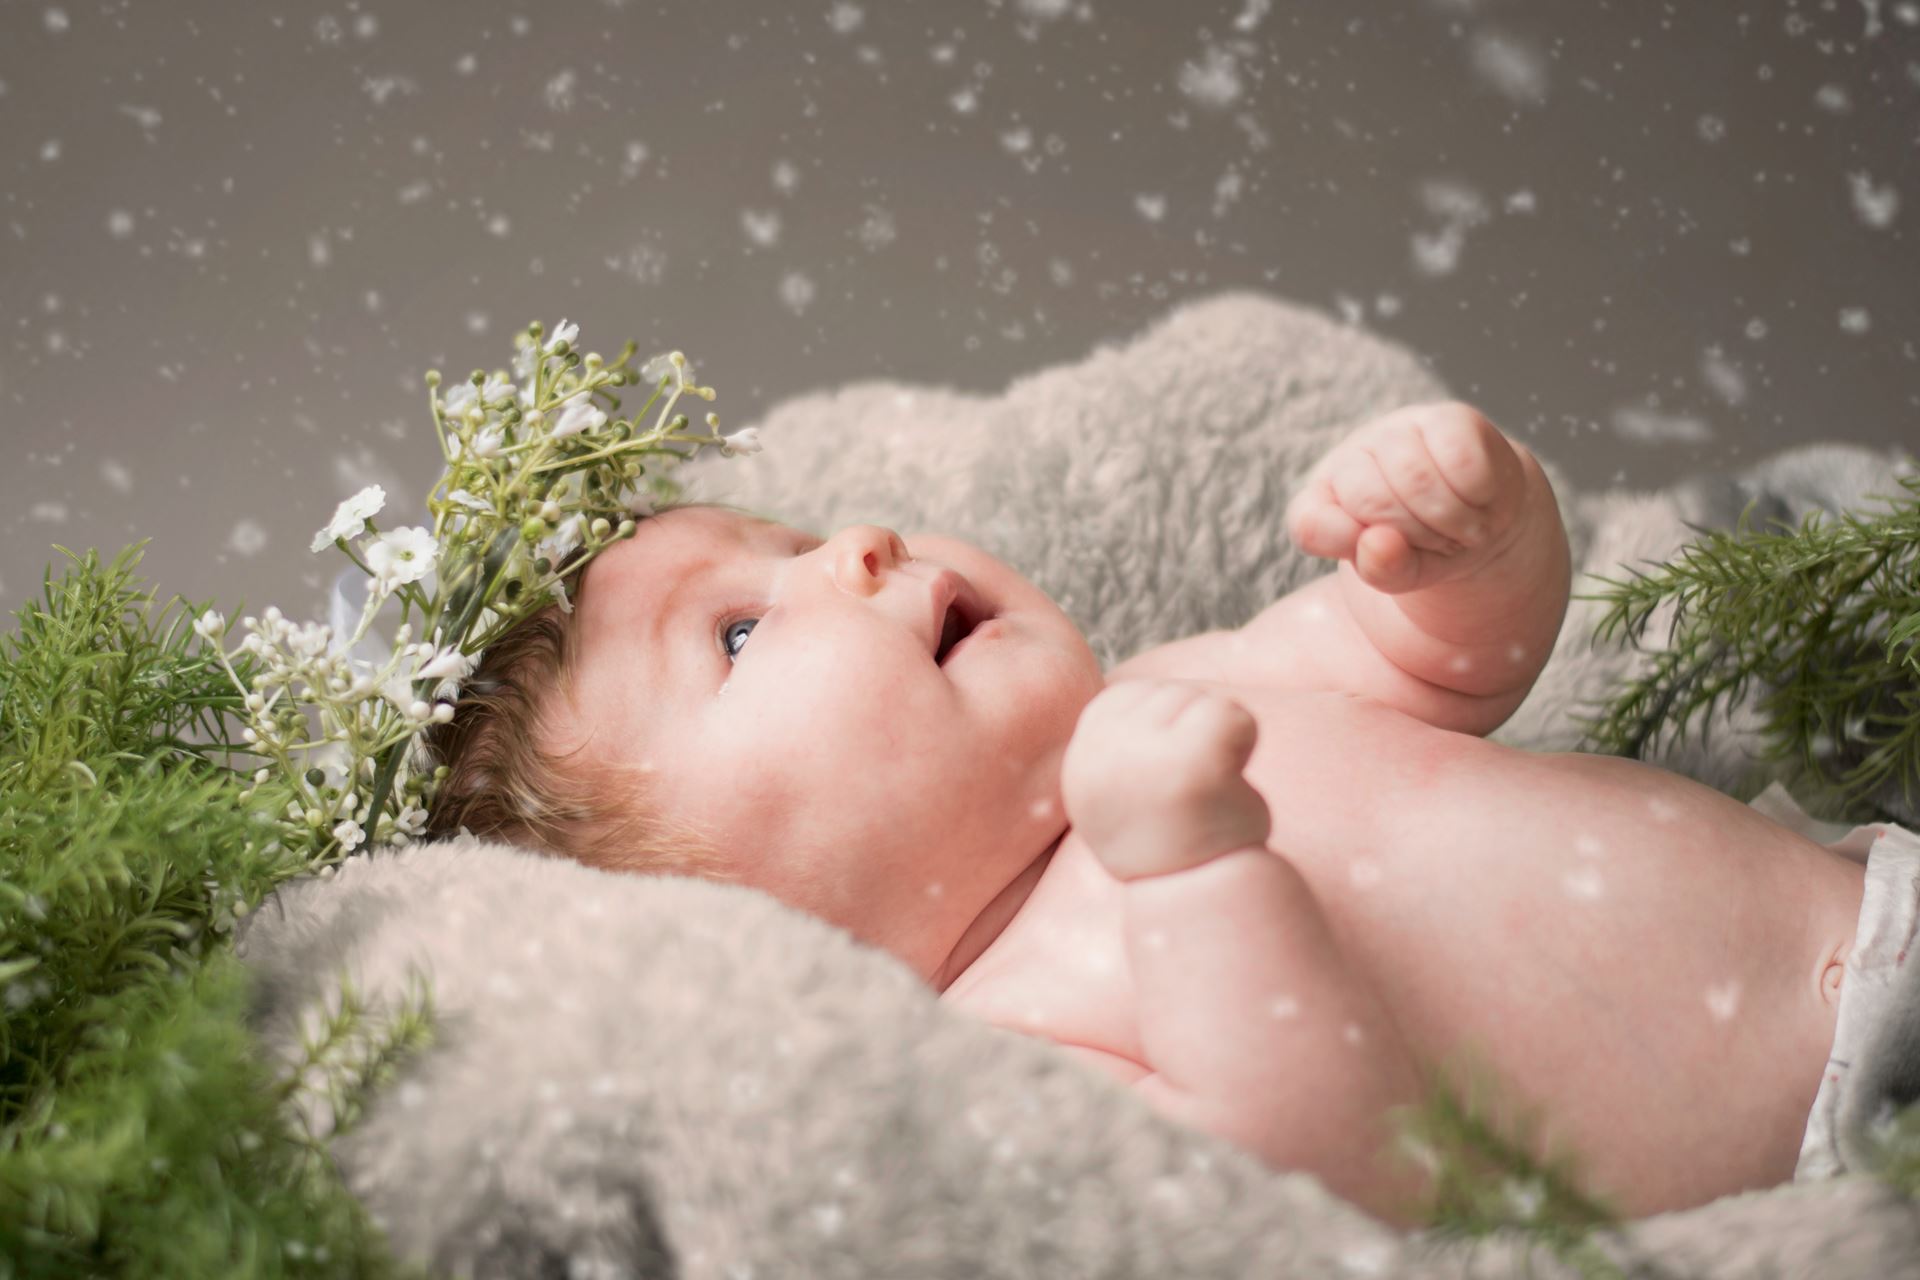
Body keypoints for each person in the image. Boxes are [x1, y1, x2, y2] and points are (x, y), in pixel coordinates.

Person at [424, 401, 1906, 1230]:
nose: (855, 549)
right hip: (1838, 1130)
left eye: (803, 542)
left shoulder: (1179, 682)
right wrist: (1195, 867)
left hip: (1872, 892)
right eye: (738, 634)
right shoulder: (1012, 1039)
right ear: (728, 922)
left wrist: (1476, 537)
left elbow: (1439, 661)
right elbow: (1326, 1167)